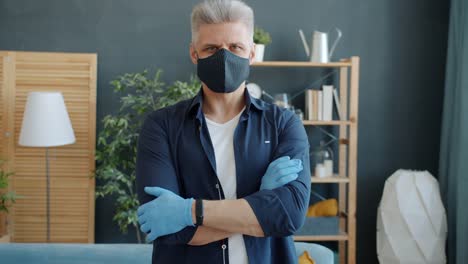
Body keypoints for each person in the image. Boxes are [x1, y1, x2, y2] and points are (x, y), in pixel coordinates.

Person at [135, 0, 311, 263]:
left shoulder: (283, 124)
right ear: (194, 53)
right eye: (211, 48)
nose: (224, 56)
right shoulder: (161, 126)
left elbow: (288, 216)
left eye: (235, 47)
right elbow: (166, 230)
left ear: (251, 53)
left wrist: (189, 211)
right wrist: (259, 202)